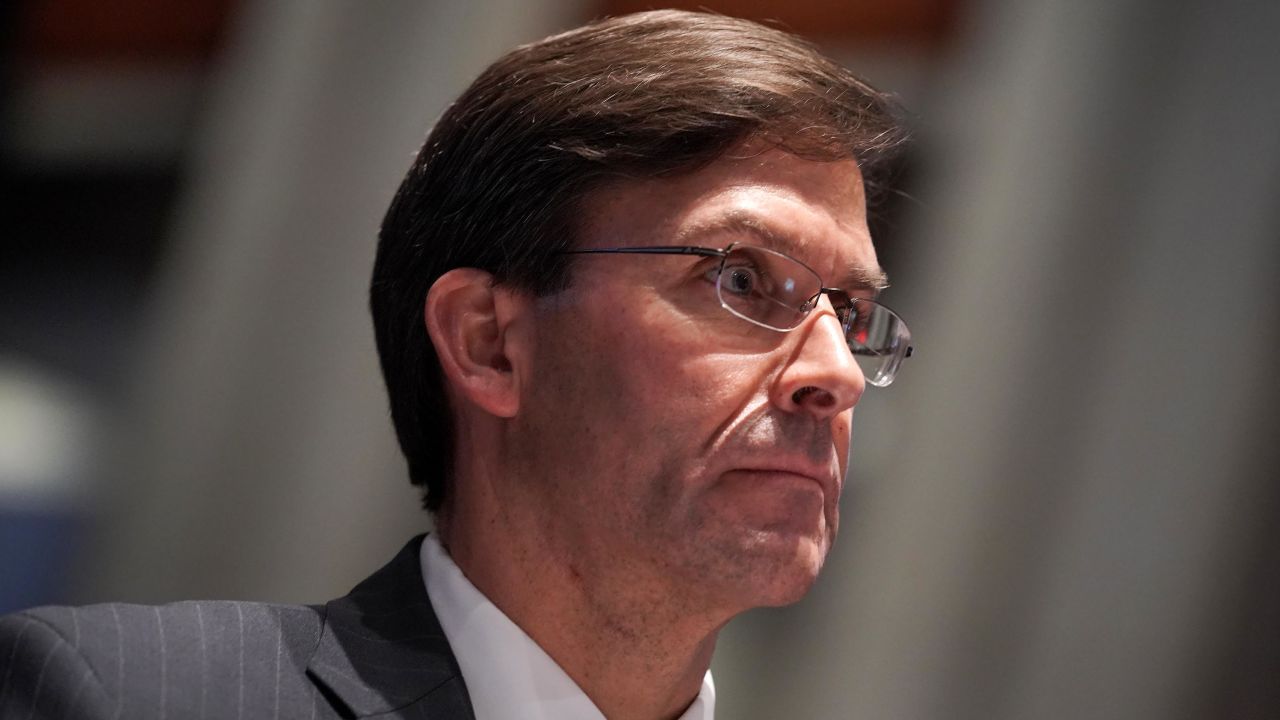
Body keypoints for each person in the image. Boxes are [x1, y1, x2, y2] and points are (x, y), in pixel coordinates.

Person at [0, 9, 912, 719]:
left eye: (854, 314)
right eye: (743, 277)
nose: (831, 374)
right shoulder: (132, 699)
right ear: (489, 341)